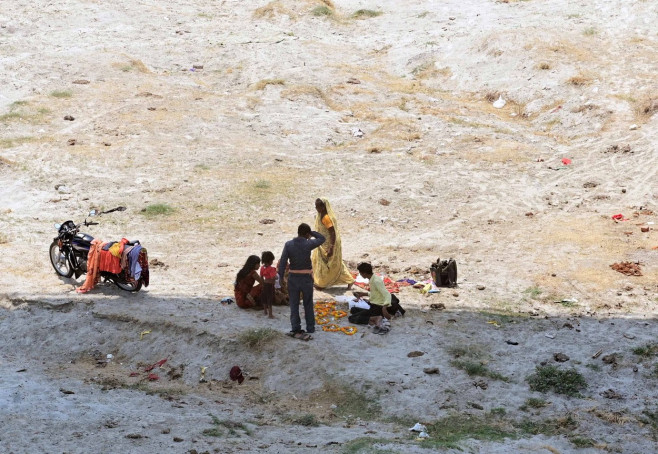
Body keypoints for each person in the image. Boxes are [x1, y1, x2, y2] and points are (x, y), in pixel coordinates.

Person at [278, 223, 325, 340]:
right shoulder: (308, 244)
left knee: (294, 304)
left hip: (293, 278)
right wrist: (312, 233)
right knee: (308, 303)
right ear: (307, 234)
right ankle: (310, 327)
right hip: (306, 279)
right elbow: (322, 238)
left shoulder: (288, 245)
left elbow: (283, 262)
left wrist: (280, 277)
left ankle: (295, 327)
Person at [311, 198, 355, 290]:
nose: (316, 209)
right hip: (322, 243)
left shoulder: (326, 218)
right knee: (325, 263)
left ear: (323, 207)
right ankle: (322, 282)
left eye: (318, 207)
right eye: (316, 206)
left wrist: (331, 247)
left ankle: (323, 284)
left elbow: (332, 232)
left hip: (329, 243)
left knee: (329, 264)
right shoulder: (320, 215)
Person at [355, 262, 393, 334]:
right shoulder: (373, 278)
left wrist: (384, 307)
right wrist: (364, 294)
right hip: (374, 305)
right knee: (354, 310)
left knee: (353, 318)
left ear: (365, 273)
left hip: (377, 307)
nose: (360, 274)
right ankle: (375, 317)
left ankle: (376, 318)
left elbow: (387, 294)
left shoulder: (376, 281)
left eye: (360, 273)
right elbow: (376, 294)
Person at [260, 251, 277, 319]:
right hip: (270, 285)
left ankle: (265, 311)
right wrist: (276, 277)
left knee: (264, 298)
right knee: (270, 299)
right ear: (270, 261)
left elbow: (261, 276)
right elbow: (273, 277)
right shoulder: (271, 269)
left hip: (265, 284)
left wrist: (262, 283)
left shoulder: (262, 268)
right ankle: (270, 314)